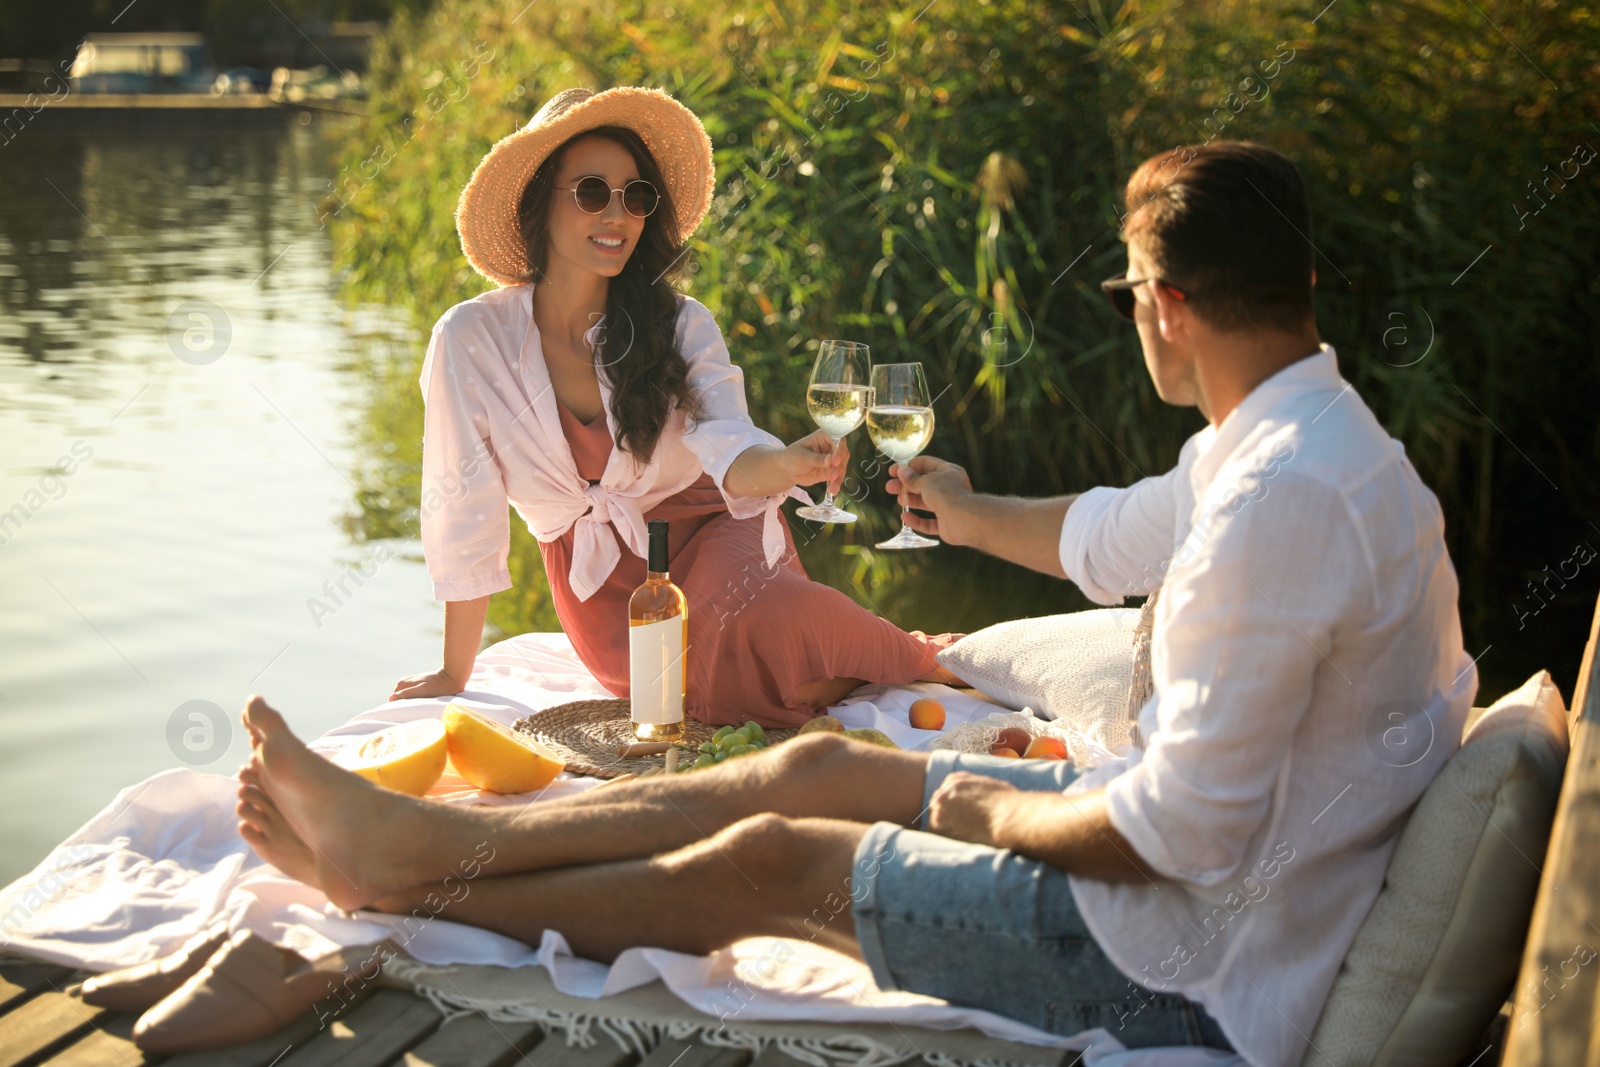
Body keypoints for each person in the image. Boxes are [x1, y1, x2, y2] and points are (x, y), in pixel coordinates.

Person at [236, 140, 1473, 1063]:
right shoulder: (1292, 443)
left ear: (1163, 306)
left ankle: (403, 882)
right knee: (812, 772)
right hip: (1189, 876)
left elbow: (1175, 836)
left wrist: (951, 793)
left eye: (1124, 296)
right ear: (1295, 278)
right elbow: (1107, 535)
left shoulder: (1281, 505)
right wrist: (967, 507)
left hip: (1183, 958)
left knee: (775, 858)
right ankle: (433, 851)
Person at [388, 86, 957, 727]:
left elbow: (732, 445)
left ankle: (928, 659)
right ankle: (830, 668)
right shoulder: (470, 339)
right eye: (592, 192)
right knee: (680, 695)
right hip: (601, 585)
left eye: (637, 197)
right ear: (537, 201)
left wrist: (788, 464)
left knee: (751, 631)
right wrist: (452, 673)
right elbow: (463, 506)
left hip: (713, 530)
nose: (618, 215)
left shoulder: (680, 323)